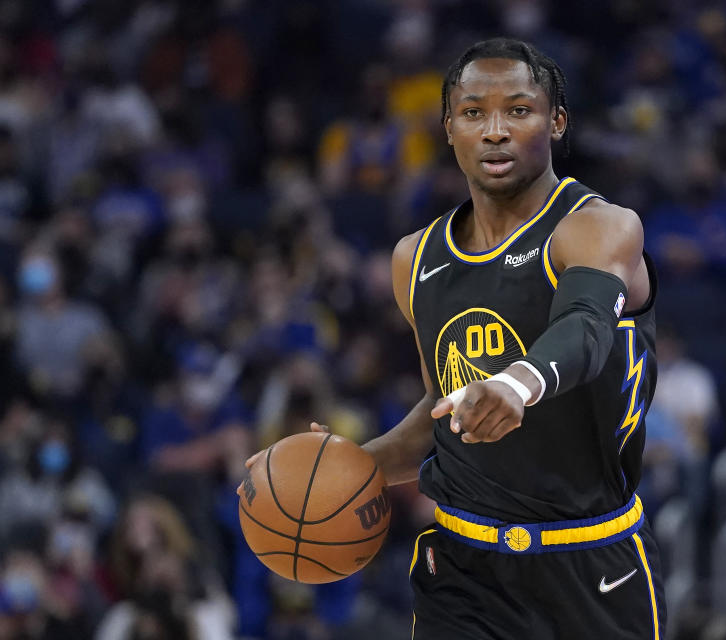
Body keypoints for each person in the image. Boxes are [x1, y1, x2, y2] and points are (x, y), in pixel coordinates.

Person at [247, 37, 665, 639]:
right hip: (464, 571)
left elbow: (587, 327)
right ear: (448, 127)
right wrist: (357, 466)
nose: (494, 130)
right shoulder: (413, 259)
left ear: (558, 121)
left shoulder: (599, 226)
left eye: (518, 110)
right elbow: (445, 411)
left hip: (593, 563)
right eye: (473, 113)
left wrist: (518, 384)